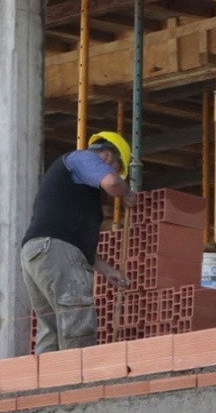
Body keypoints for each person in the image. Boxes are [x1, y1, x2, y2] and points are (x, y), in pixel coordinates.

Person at [20, 131, 136, 353]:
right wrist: (127, 193)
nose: (115, 174)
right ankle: (78, 382)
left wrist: (107, 270)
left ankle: (47, 383)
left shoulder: (75, 188)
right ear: (108, 157)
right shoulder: (82, 158)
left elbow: (74, 241)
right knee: (77, 320)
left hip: (38, 253)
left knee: (52, 327)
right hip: (53, 249)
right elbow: (112, 183)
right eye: (117, 169)